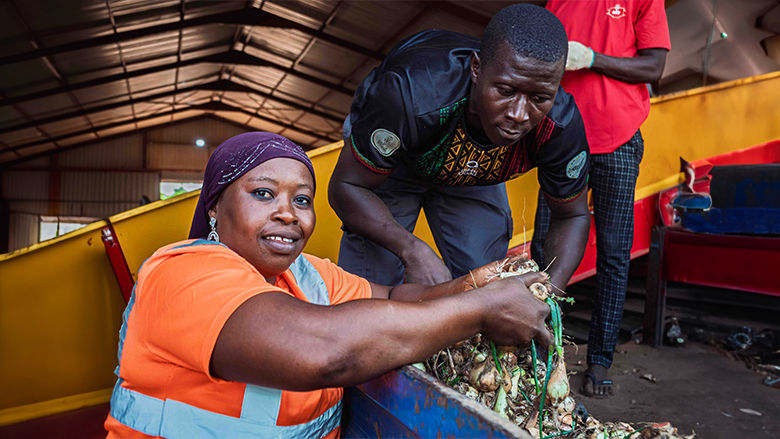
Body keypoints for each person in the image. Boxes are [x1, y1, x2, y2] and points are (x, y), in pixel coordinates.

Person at [104, 132, 553, 438]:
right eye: (263, 194)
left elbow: (395, 298)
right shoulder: (183, 272)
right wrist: (481, 311)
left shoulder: (307, 275)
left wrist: (478, 284)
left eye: (301, 200)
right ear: (215, 208)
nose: (288, 213)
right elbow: (320, 354)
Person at [328, 4, 591, 293]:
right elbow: (347, 185)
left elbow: (572, 215)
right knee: (370, 288)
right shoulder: (411, 95)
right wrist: (412, 250)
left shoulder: (559, 127)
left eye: (539, 98)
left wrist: (552, 291)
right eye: (505, 91)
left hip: (472, 174)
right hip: (394, 164)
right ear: (476, 68)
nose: (519, 114)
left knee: (485, 282)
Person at [532, 0, 670, 398]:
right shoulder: (557, 3)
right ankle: (541, 351)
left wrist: (593, 58)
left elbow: (653, 68)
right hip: (562, 138)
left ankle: (600, 360)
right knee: (546, 247)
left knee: (613, 250)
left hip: (620, 138)